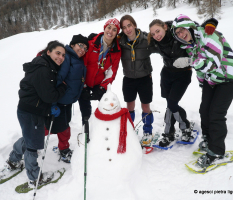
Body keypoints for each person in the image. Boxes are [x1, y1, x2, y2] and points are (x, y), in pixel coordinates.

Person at [0, 41, 67, 187]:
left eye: (63, 55)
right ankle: (35, 178)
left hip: (27, 110)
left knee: (28, 137)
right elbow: (49, 96)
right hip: (32, 113)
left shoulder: (43, 65)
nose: (61, 57)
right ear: (48, 52)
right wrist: (63, 88)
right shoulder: (44, 69)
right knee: (33, 146)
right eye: (58, 53)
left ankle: (13, 161)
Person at [171, 14, 233, 167]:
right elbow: (200, 71)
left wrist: (190, 61)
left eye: (182, 30)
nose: (181, 34)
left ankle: (217, 152)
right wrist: (202, 84)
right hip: (210, 80)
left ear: (189, 27)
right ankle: (207, 139)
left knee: (216, 114)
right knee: (204, 109)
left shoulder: (209, 35)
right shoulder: (190, 45)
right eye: (177, 33)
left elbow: (213, 63)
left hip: (227, 78)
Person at [42, 35, 89, 163]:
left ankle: (64, 149)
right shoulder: (67, 57)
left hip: (67, 101)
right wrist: (53, 103)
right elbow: (57, 80)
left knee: (64, 125)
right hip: (59, 102)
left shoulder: (78, 59)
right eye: (80, 45)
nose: (83, 49)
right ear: (72, 45)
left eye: (85, 48)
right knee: (49, 127)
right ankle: (30, 143)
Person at [147, 19, 193, 147]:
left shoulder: (178, 34)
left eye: (158, 31)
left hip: (183, 74)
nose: (156, 35)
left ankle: (185, 127)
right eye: (153, 33)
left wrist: (189, 60)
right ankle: (169, 132)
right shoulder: (155, 42)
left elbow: (194, 29)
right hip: (167, 73)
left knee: (172, 102)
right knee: (170, 103)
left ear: (165, 27)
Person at [118, 15, 155, 143]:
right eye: (124, 27)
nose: (128, 29)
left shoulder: (146, 40)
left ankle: (147, 131)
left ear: (134, 25)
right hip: (128, 79)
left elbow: (161, 45)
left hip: (145, 78)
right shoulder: (120, 42)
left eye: (129, 25)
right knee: (129, 107)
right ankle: (129, 129)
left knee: (145, 106)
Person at [80, 18, 121, 122]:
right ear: (104, 28)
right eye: (109, 27)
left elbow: (112, 72)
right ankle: (86, 131)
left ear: (117, 33)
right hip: (84, 82)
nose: (110, 31)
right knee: (85, 112)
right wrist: (83, 86)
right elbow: (82, 65)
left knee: (107, 107)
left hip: (99, 83)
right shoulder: (91, 43)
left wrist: (102, 88)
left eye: (114, 30)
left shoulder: (116, 50)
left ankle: (106, 130)